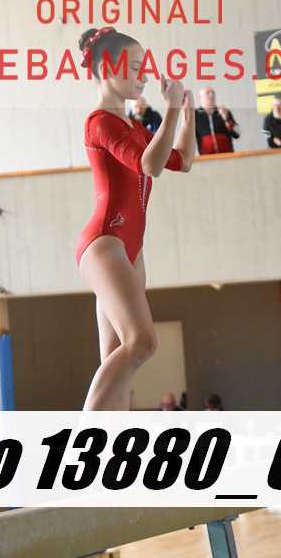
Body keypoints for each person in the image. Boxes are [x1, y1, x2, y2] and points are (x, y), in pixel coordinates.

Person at [76, 27, 196, 411]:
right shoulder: (100, 122)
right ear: (107, 69)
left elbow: (181, 160)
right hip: (105, 243)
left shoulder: (133, 127)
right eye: (134, 67)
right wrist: (171, 110)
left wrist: (188, 116)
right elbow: (148, 164)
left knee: (118, 366)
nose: (144, 75)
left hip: (130, 249)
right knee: (142, 341)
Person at [195, 87, 240, 154]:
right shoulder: (195, 115)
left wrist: (226, 118)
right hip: (206, 157)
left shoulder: (225, 111)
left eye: (213, 93)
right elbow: (189, 138)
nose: (211, 95)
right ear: (199, 97)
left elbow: (237, 134)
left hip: (227, 156)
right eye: (208, 93)